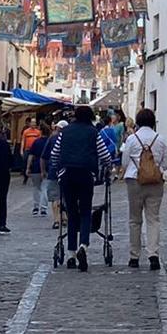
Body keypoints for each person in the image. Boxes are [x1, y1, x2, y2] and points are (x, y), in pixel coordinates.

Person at [46, 105, 115, 271]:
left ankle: (71, 253)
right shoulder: (93, 133)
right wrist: (108, 168)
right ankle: (83, 246)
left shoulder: (65, 132)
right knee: (85, 212)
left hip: (67, 174)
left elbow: (54, 155)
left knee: (71, 212)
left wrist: (58, 170)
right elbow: (105, 155)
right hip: (86, 174)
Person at [121, 107, 167, 271]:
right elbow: (166, 164)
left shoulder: (132, 139)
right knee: (153, 219)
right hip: (155, 183)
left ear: (138, 122)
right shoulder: (160, 139)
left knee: (135, 220)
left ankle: (134, 256)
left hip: (134, 181)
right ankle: (153, 254)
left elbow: (125, 162)